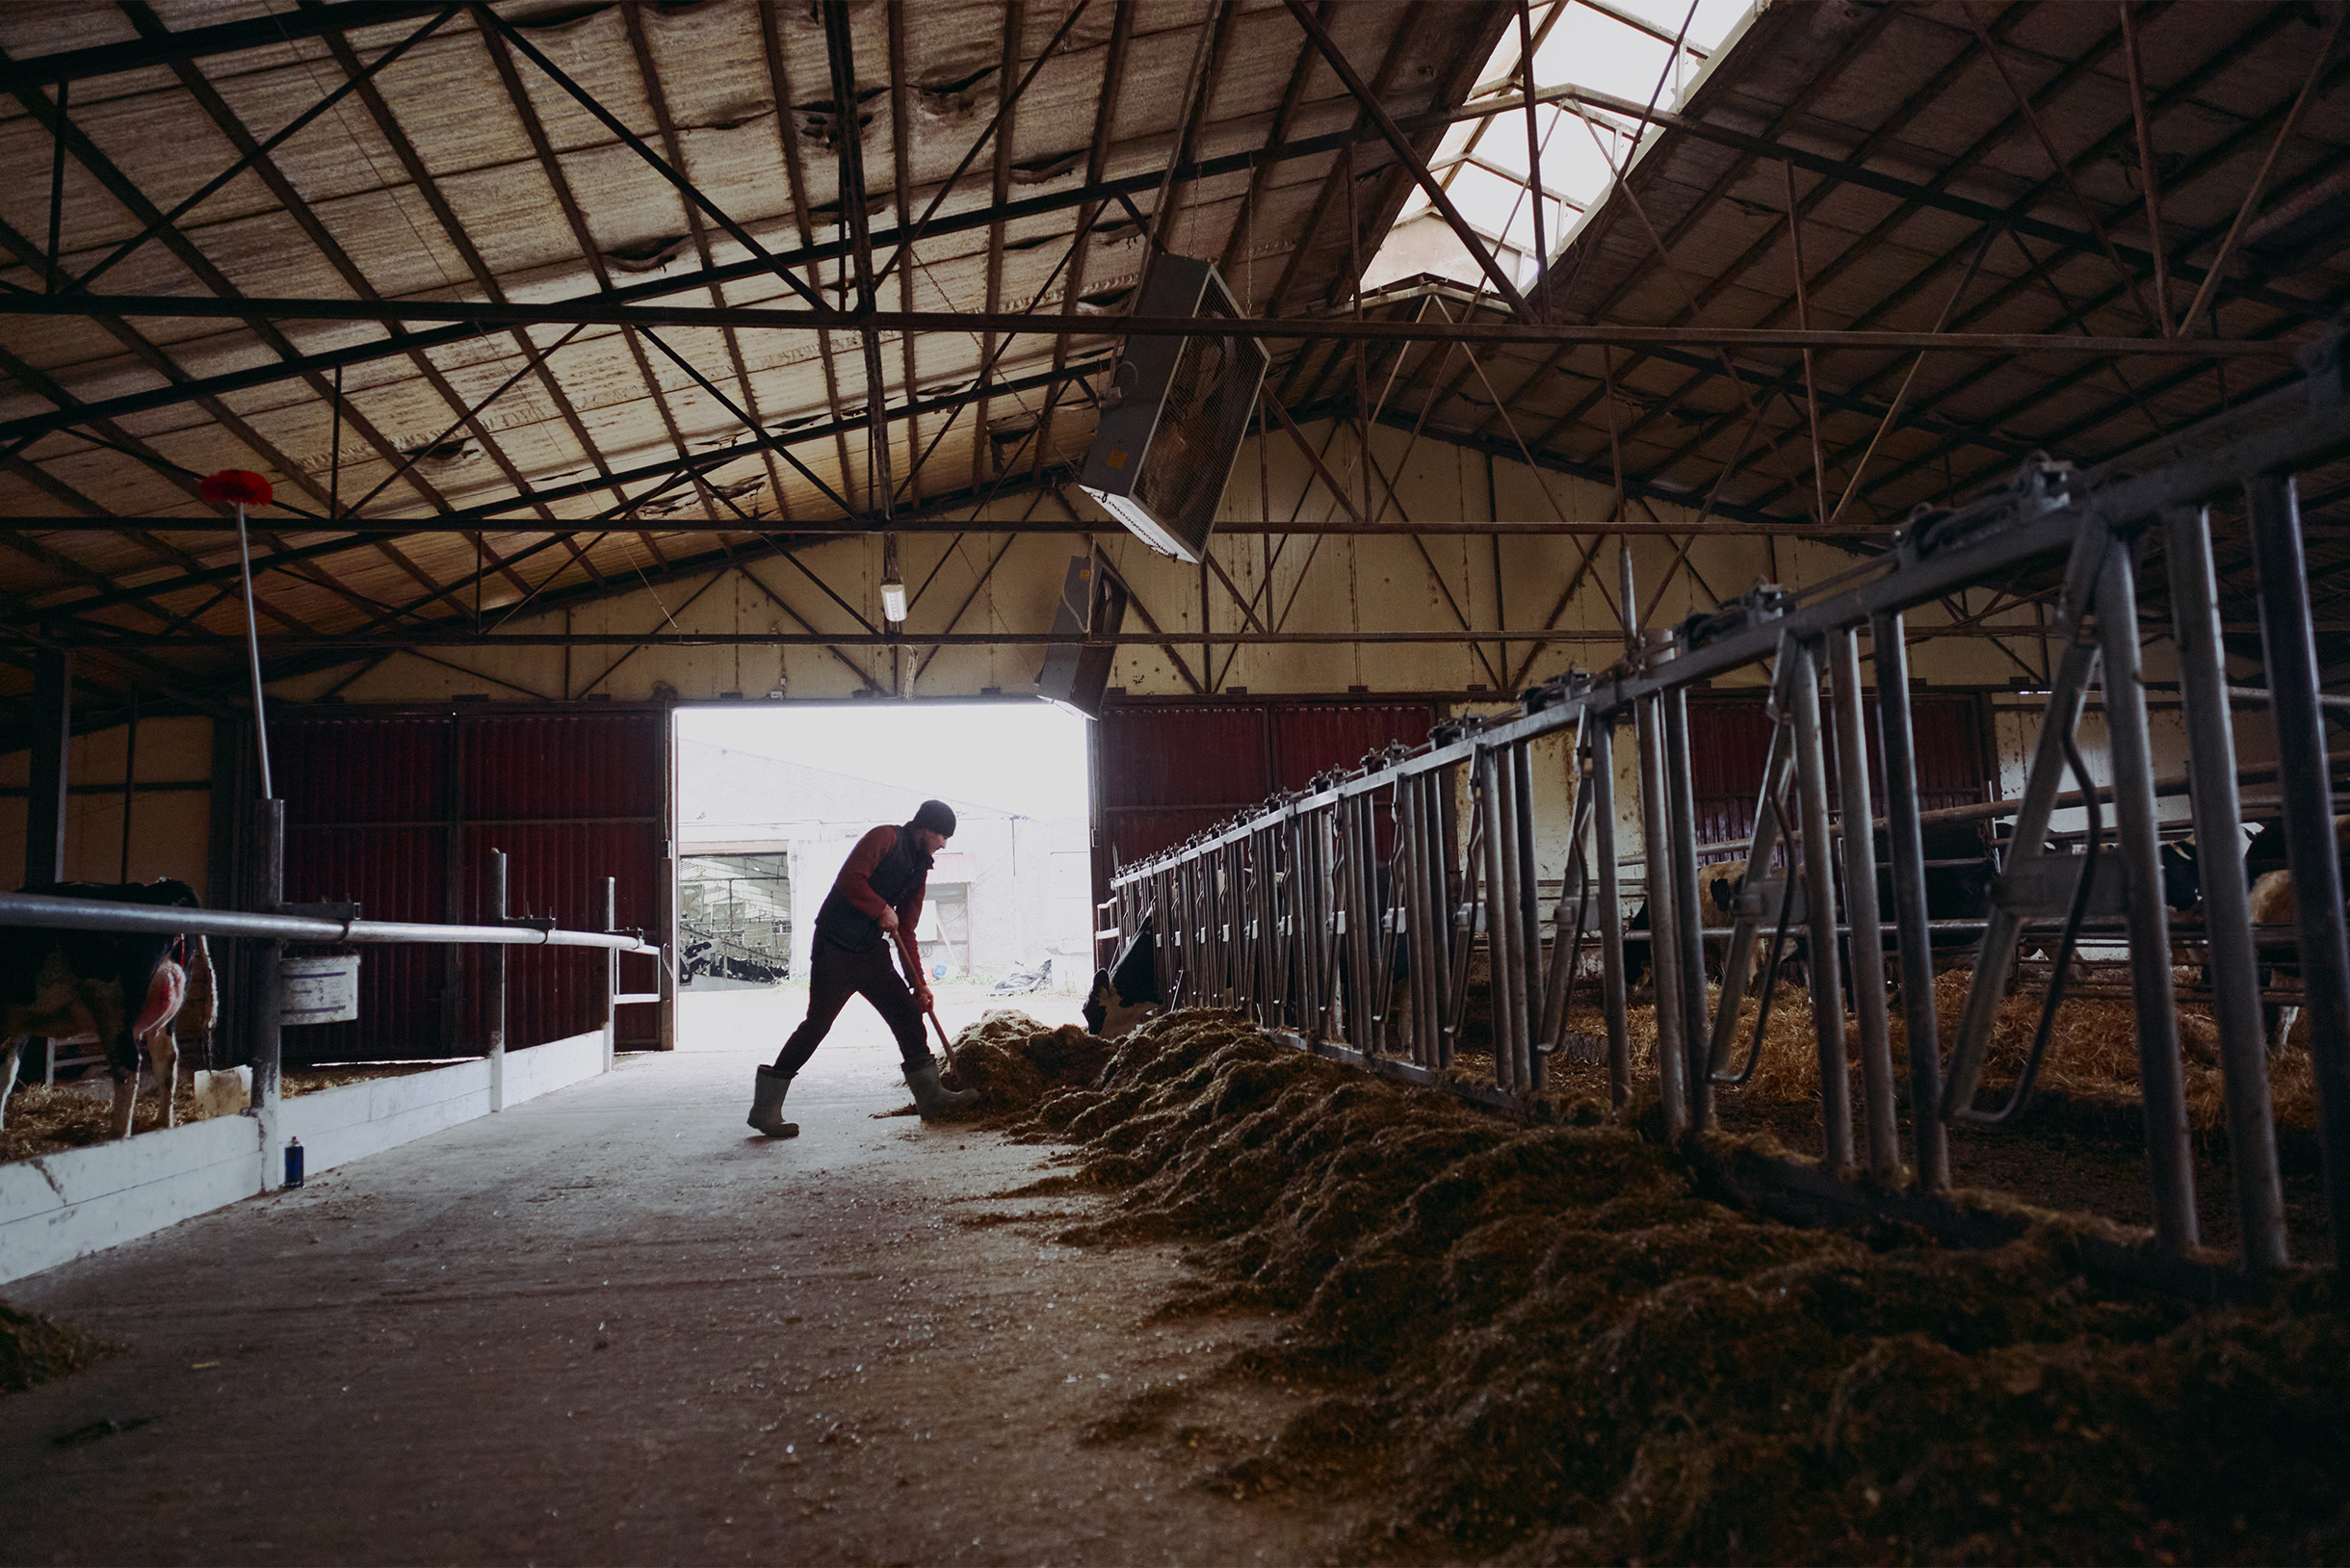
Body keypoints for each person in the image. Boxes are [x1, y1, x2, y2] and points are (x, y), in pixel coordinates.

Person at [746, 799, 976, 1137]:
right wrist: (880, 907)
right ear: (926, 828)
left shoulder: (919, 869)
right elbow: (850, 879)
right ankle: (765, 1110)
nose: (943, 844)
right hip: (835, 948)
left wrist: (918, 985)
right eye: (942, 835)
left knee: (907, 1014)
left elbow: (907, 930)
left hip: (871, 954)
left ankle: (932, 1098)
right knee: (817, 1025)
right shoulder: (885, 838)